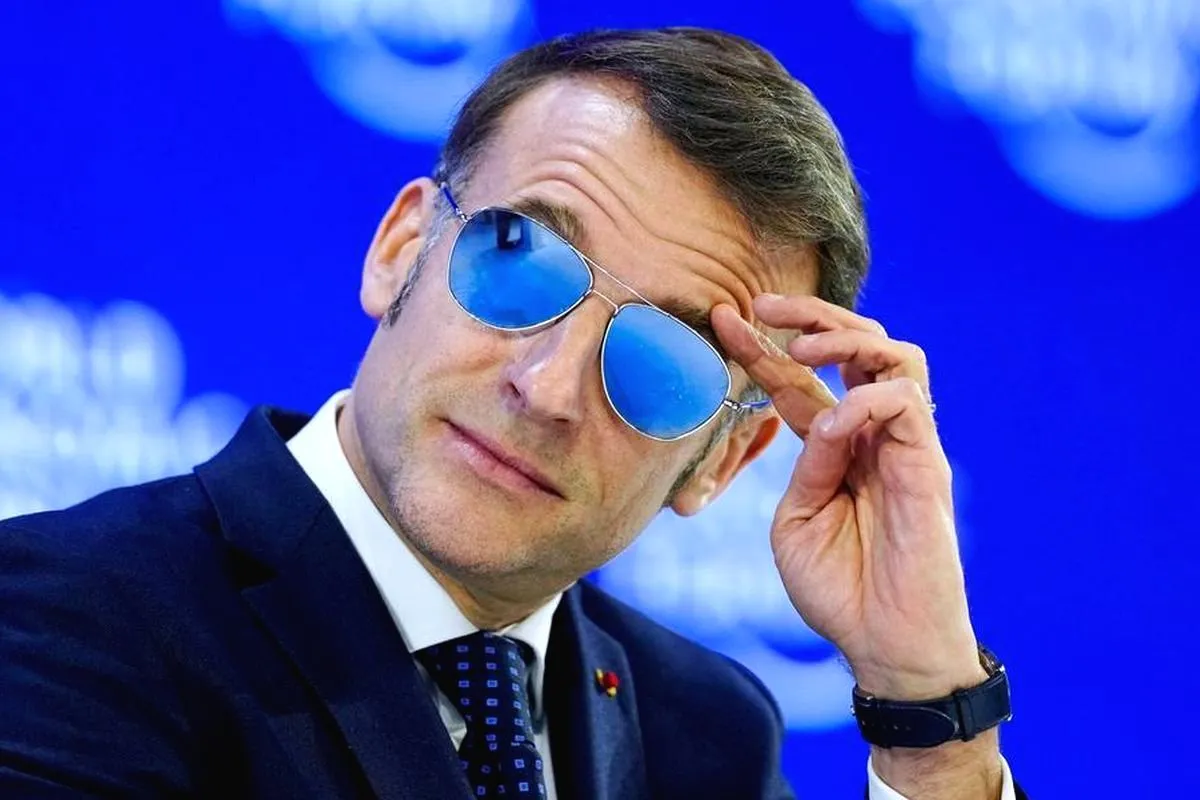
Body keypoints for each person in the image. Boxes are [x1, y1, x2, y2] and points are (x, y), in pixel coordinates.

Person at [0, 27, 1026, 799]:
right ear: (401, 249)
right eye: (518, 261)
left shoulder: (707, 731)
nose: (548, 387)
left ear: (724, 457)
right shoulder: (62, 614)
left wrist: (929, 712)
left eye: (665, 361)